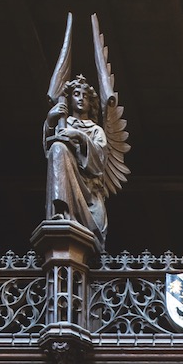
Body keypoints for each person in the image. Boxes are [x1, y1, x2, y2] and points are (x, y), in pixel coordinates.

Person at [43, 75, 109, 246]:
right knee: (58, 148)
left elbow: (100, 161)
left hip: (88, 189)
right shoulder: (62, 124)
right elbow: (49, 152)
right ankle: (61, 210)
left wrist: (80, 136)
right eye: (76, 94)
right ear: (70, 99)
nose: (80, 98)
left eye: (85, 96)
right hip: (67, 178)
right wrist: (50, 119)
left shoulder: (95, 130)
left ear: (90, 102)